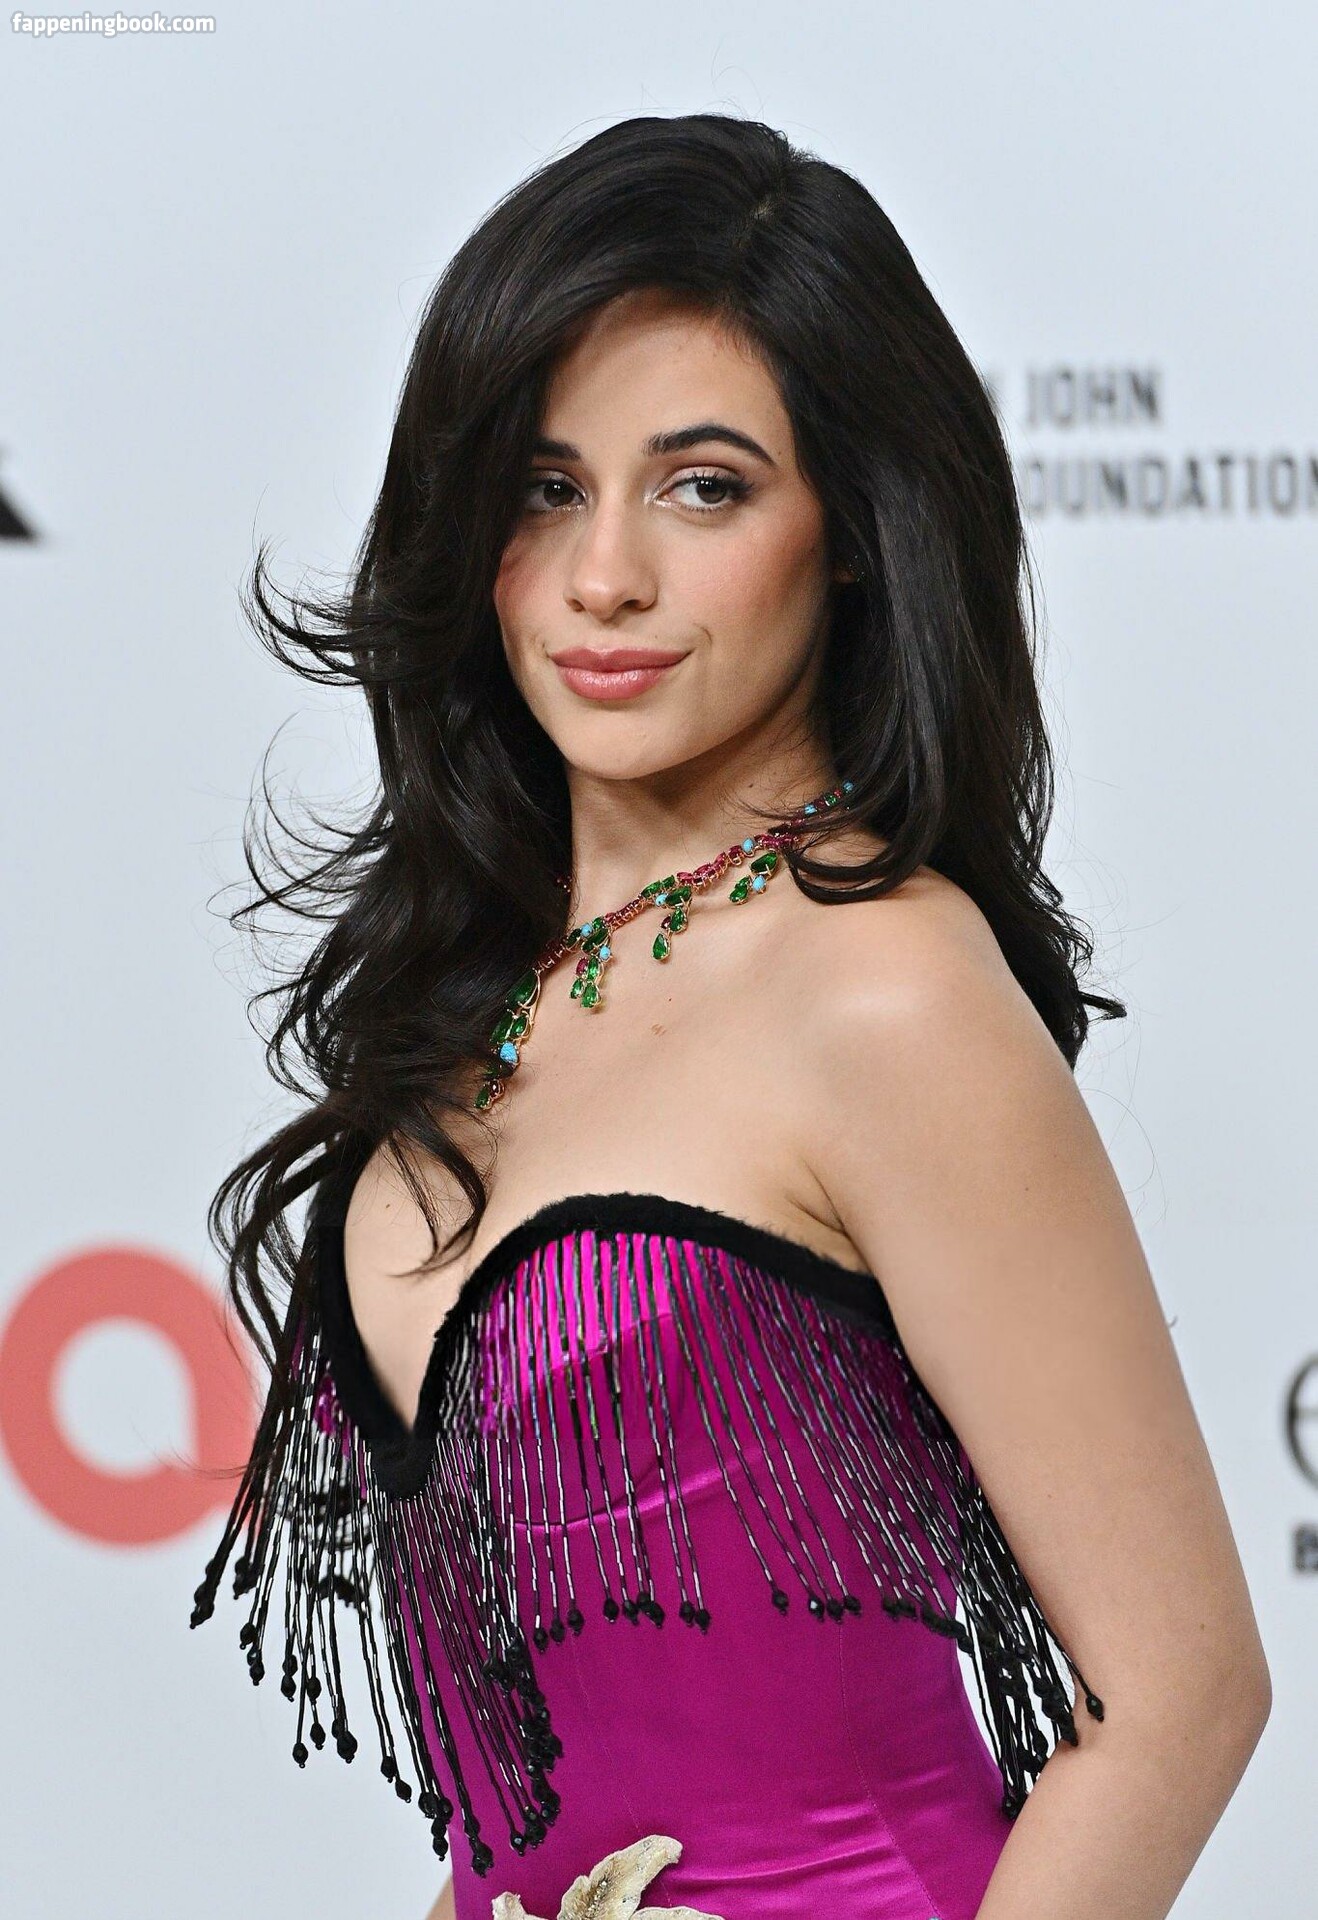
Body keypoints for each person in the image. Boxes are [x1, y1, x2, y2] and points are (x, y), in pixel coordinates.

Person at [191, 114, 1270, 1920]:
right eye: (546, 489)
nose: (604, 575)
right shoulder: (483, 999)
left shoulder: (883, 988)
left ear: (847, 531)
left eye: (702, 487)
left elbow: (1178, 1701)